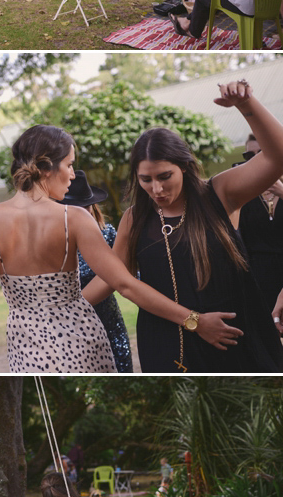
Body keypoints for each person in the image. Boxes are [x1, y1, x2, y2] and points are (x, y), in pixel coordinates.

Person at [0, 124, 247, 372]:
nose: (71, 174)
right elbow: (125, 283)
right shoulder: (74, 218)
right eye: (69, 165)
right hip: (81, 340)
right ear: (46, 168)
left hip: (25, 343)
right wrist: (193, 320)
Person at [81, 83, 283, 371]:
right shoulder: (134, 218)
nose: (157, 188)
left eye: (165, 176)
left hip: (230, 337)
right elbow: (114, 277)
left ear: (185, 166)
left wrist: (246, 104)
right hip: (166, 342)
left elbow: (277, 157)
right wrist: (64, 308)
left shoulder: (220, 193)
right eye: (146, 179)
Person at [58, 170, 133, 373]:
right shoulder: (53, 244)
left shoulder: (107, 234)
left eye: (86, 206)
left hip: (109, 325)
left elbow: (130, 277)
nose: (82, 213)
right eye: (75, 208)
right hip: (69, 328)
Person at [237, 133, 283, 313]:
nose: (256, 160)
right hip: (258, 278)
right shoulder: (243, 195)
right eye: (249, 156)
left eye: (262, 152)